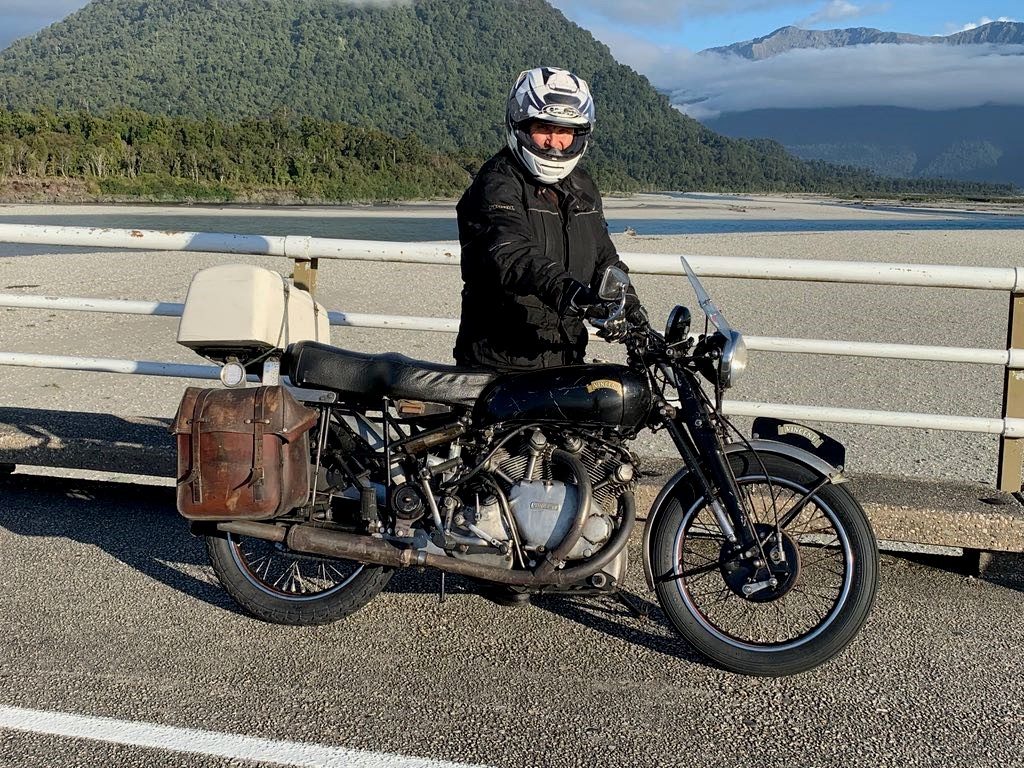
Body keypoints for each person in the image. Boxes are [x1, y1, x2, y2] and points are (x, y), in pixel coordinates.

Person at [453, 66, 638, 372]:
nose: (555, 142)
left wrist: (630, 309)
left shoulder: (582, 186)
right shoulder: (498, 182)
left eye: (565, 131)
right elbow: (511, 252)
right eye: (544, 129)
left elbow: (605, 258)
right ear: (521, 126)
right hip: (501, 362)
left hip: (564, 355)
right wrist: (570, 291)